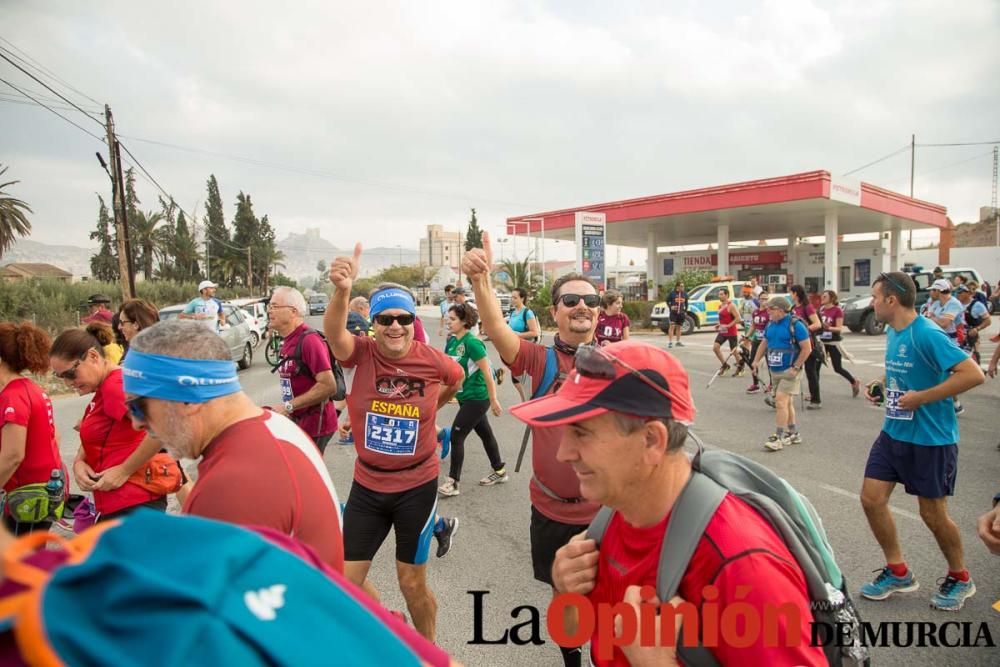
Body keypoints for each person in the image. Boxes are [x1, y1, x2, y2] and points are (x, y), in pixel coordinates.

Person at [523, 342, 825, 667]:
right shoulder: (615, 514)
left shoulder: (741, 564)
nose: (563, 453)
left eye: (581, 433)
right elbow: (571, 634)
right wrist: (564, 591)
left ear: (652, 441)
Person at [462, 233, 599, 667]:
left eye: (591, 301)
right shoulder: (540, 361)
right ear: (554, 311)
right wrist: (482, 283)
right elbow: (499, 331)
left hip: (611, 511)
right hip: (554, 510)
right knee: (565, 594)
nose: (582, 307)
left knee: (618, 593)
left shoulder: (620, 361)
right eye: (571, 300)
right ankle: (572, 658)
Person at [122, 319, 344, 571]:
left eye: (138, 407)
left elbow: (203, 600)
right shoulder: (273, 427)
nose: (136, 424)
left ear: (187, 397)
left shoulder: (231, 485)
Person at [324, 245, 464, 642]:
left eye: (403, 318)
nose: (395, 326)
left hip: (416, 486)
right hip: (368, 486)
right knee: (344, 583)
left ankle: (428, 652)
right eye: (385, 319)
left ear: (412, 320)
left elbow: (456, 378)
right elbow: (334, 333)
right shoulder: (360, 355)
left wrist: (433, 409)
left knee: (411, 583)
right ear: (373, 323)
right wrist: (341, 291)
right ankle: (390, 628)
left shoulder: (431, 359)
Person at [858, 271, 984, 611]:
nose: (872, 303)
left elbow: (974, 374)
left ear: (891, 300)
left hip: (931, 439)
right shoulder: (892, 331)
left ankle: (960, 577)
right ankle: (898, 571)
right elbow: (901, 368)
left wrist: (923, 397)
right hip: (893, 433)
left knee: (933, 514)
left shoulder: (928, 333)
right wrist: (882, 383)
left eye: (874, 297)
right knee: (871, 499)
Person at [50, 324, 168, 521]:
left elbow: (163, 426)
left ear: (93, 356)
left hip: (134, 503)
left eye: (70, 374)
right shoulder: (105, 389)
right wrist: (80, 462)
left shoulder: (114, 387)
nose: (68, 383)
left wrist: (123, 471)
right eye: (60, 377)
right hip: (124, 502)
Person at [0, 323, 64, 536]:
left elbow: (13, 455)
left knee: (19, 565)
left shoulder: (12, 396)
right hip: (42, 493)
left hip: (25, 498)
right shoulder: (31, 389)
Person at [438, 304, 505, 498]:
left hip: (478, 398)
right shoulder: (452, 342)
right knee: (485, 434)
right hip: (464, 397)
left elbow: (487, 372)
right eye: (448, 318)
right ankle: (499, 470)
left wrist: (493, 400)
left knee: (457, 437)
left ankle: (453, 482)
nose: (448, 322)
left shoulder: (473, 343)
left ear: (465, 322)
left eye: (452, 319)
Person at [266, 287, 340, 454]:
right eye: (269, 306)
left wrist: (288, 406)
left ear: (293, 311)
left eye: (274, 306)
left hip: (316, 425)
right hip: (299, 423)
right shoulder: (288, 340)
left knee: (308, 476)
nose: (269, 311)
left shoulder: (309, 340)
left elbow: (328, 386)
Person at [751, 297, 812, 452]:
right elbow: (765, 343)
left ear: (779, 309)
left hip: (790, 371)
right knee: (787, 403)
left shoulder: (796, 325)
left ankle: (777, 437)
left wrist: (796, 367)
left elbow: (807, 348)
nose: (768, 312)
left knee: (780, 401)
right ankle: (793, 433)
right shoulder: (770, 324)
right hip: (775, 370)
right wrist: (756, 361)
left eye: (770, 309)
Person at [818, 290, 860, 397]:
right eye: (822, 296)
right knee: (815, 366)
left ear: (832, 298)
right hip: (822, 342)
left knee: (837, 368)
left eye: (825, 296)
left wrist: (829, 327)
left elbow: (839, 328)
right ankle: (815, 393)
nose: (822, 298)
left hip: (833, 342)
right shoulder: (821, 309)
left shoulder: (837, 310)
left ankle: (853, 381)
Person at [789, 284, 823, 409]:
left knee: (810, 372)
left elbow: (817, 324)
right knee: (792, 369)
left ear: (796, 294)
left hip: (808, 344)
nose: (790, 295)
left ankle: (816, 400)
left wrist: (802, 330)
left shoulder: (807, 307)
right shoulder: (793, 308)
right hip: (796, 344)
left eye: (791, 293)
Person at [507, 287, 540, 402]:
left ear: (522, 298)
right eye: (512, 297)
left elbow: (534, 332)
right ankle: (525, 400)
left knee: (522, 377)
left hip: (526, 349)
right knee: (516, 377)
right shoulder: (513, 313)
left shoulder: (527, 313)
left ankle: (528, 401)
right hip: (514, 348)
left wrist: (517, 335)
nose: (512, 300)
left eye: (515, 298)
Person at [954, 284, 991, 364]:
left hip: (970, 337)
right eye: (957, 292)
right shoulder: (954, 304)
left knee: (970, 360)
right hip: (956, 336)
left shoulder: (977, 305)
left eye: (961, 292)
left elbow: (988, 320)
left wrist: (977, 329)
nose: (958, 294)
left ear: (968, 293)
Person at [711, 287, 741, 376]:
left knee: (734, 351)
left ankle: (740, 366)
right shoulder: (720, 306)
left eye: (721, 294)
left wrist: (728, 325)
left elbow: (738, 318)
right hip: (723, 331)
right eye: (719, 294)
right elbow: (723, 319)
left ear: (726, 295)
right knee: (715, 348)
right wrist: (719, 325)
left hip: (731, 331)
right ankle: (725, 365)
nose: (719, 296)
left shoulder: (731, 305)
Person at [745, 286, 769, 394]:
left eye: (766, 299)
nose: (764, 301)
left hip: (767, 341)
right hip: (757, 340)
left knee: (770, 363)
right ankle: (756, 384)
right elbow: (753, 325)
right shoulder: (755, 312)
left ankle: (772, 384)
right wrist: (747, 336)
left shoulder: (769, 312)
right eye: (762, 299)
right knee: (752, 362)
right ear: (758, 300)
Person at [665, 282, 687, 349]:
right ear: (677, 287)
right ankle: (670, 342)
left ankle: (678, 341)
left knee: (679, 327)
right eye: (681, 286)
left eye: (683, 286)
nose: (683, 287)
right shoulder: (672, 293)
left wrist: (685, 311)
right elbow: (667, 301)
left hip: (681, 313)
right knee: (672, 326)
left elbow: (686, 303)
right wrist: (670, 307)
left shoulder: (684, 294)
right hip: (673, 313)